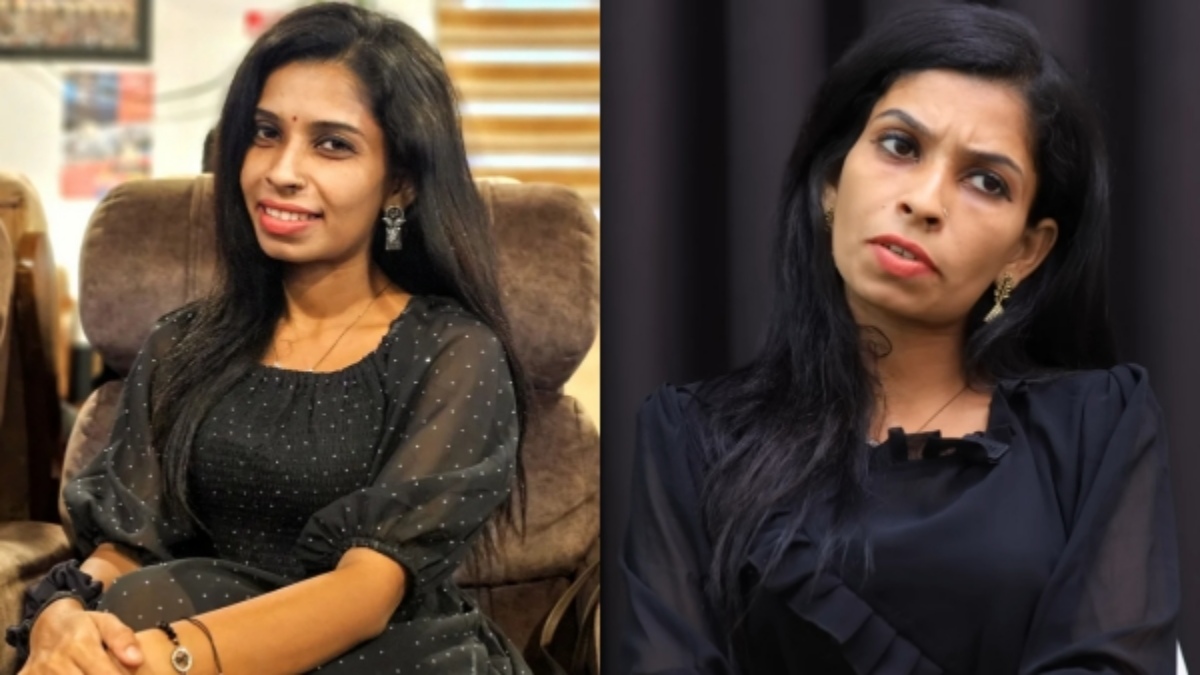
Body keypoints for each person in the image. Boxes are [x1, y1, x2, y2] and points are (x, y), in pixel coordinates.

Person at [619, 5, 1179, 674]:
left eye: (986, 182)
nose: (925, 200)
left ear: (1025, 251)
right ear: (831, 182)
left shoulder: (1097, 425)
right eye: (900, 146)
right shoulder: (693, 437)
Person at [6, 4, 533, 674]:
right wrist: (67, 617)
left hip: (390, 656)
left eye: (332, 144)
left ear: (399, 182)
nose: (282, 170)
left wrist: (165, 659)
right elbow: (125, 547)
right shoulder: (181, 344)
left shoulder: (454, 351)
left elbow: (367, 593)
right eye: (265, 133)